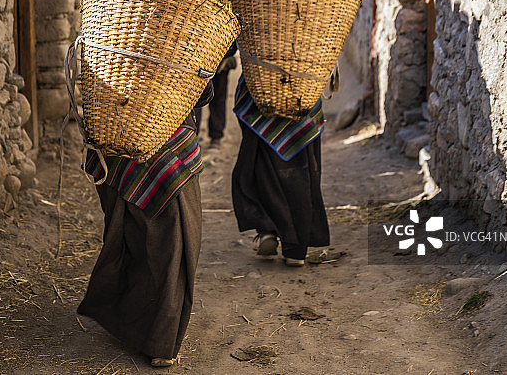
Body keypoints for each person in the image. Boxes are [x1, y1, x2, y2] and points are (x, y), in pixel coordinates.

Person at [77, 55, 213, 366]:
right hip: (169, 137)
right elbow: (205, 88)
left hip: (118, 135)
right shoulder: (187, 30)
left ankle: (134, 322)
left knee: (132, 233)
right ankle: (159, 340)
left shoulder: (114, 26)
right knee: (173, 241)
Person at [230, 77, 329, 266]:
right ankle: (296, 249)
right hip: (304, 94)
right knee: (302, 169)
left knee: (260, 165)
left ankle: (267, 228)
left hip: (260, 92)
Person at [194, 43, 238, 147]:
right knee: (195, 101)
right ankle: (194, 136)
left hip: (223, 55)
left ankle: (216, 136)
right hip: (199, 56)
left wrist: (229, 55)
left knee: (218, 97)